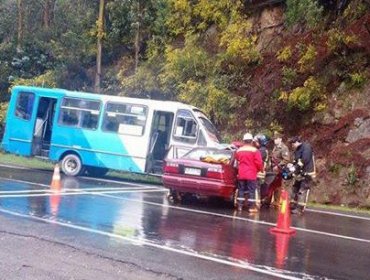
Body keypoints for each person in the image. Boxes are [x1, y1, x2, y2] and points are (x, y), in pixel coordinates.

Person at [235, 132, 263, 213]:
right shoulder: (255, 150)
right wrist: (260, 170)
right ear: (251, 141)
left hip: (241, 173)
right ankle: (251, 207)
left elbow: (237, 161)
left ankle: (239, 206)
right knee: (251, 190)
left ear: (244, 141)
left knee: (241, 190)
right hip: (251, 174)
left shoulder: (239, 150)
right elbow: (259, 163)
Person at [289, 136, 316, 214]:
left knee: (302, 190)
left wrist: (296, 167)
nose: (292, 145)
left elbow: (305, 159)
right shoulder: (297, 149)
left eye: (293, 143)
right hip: (300, 172)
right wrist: (292, 166)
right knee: (295, 188)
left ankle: (300, 208)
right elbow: (296, 159)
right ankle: (293, 204)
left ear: (297, 142)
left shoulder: (306, 147)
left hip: (307, 172)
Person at [267, 131, 291, 208]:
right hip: (273, 169)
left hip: (279, 169)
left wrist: (278, 166)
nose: (275, 140)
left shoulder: (284, 148)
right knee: (271, 184)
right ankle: (268, 200)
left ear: (280, 139)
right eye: (274, 139)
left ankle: (276, 202)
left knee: (278, 186)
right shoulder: (275, 147)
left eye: (276, 139)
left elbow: (286, 159)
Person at [253, 134, 270, 207]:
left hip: (259, 172)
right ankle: (257, 202)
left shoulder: (262, 151)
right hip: (260, 171)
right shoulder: (263, 150)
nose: (255, 143)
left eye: (257, 141)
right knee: (257, 187)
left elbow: (255, 160)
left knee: (256, 188)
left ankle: (256, 204)